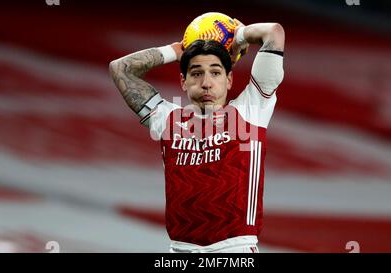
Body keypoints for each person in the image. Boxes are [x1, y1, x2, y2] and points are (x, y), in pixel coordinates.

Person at [109, 19, 285, 253]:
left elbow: (274, 33)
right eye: (196, 73)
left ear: (229, 79)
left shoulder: (251, 110)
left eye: (215, 72)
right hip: (179, 251)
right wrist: (178, 49)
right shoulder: (168, 121)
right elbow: (120, 69)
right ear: (183, 82)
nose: (206, 83)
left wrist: (238, 35)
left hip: (234, 251)